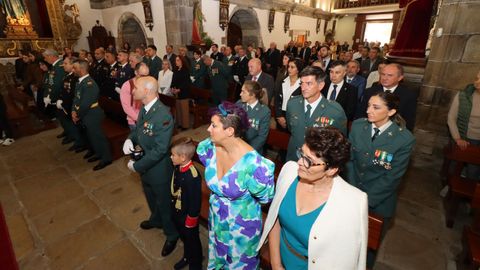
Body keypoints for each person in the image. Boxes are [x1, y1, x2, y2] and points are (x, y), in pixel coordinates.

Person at [259, 127, 368, 270]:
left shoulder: (352, 203)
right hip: (280, 257)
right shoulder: (290, 171)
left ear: (331, 169)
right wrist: (276, 264)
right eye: (301, 154)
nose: (299, 162)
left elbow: (347, 259)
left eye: (309, 161)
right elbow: (275, 219)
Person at [196, 101, 275, 269]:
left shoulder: (255, 166)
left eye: (213, 125)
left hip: (241, 225)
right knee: (218, 257)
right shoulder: (210, 147)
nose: (208, 129)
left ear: (230, 131)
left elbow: (265, 198)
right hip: (217, 216)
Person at [347, 92, 415, 268]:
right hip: (351, 192)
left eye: (376, 107)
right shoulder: (358, 126)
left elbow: (392, 177)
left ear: (391, 112)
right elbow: (349, 160)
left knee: (369, 248)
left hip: (378, 201)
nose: (368, 110)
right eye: (368, 105)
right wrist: (353, 191)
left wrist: (366, 199)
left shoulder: (403, 139)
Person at [122, 75, 179, 257]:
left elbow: (160, 150)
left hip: (158, 170)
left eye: (136, 87)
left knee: (164, 204)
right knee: (150, 196)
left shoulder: (163, 115)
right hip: (146, 166)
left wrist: (137, 166)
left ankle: (171, 234)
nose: (132, 90)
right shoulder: (145, 109)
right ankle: (156, 220)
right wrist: (129, 140)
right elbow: (139, 131)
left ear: (146, 91)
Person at [285, 66, 347, 161]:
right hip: (294, 158)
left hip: (317, 163)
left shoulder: (334, 111)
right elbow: (290, 128)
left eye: (309, 83)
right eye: (302, 83)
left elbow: (340, 142)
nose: (303, 88)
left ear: (320, 85)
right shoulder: (293, 103)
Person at [71, 59, 112, 171]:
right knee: (91, 136)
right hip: (85, 114)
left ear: (82, 69)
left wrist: (77, 114)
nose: (73, 70)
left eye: (75, 68)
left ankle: (106, 158)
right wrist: (73, 110)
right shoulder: (80, 82)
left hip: (92, 114)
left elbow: (85, 104)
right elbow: (76, 98)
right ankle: (98, 153)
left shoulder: (90, 84)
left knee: (98, 137)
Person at [170, 137, 203, 270]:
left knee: (192, 241)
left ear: (183, 157)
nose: (171, 157)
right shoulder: (178, 167)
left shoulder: (193, 176)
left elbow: (195, 202)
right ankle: (187, 257)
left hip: (187, 217)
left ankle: (196, 264)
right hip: (178, 212)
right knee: (185, 239)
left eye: (173, 155)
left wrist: (190, 221)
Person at [358, 63, 418, 131]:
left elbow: (409, 120)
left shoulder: (409, 95)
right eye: (383, 74)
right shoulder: (369, 92)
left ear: (400, 78)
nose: (384, 78)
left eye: (390, 75)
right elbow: (361, 114)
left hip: (395, 133)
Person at [447, 70, 480, 180]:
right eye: (476, 78)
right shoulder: (464, 95)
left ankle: (471, 191)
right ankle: (450, 185)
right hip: (464, 136)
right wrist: (458, 138)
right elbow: (451, 118)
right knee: (455, 165)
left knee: (473, 171)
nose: (477, 82)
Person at [237, 80, 271, 153]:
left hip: (252, 149)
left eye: (243, 92)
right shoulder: (239, 104)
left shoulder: (264, 111)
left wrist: (247, 150)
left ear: (252, 95)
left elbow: (262, 137)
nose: (240, 94)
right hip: (236, 144)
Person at [120, 62, 149, 130]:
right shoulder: (127, 85)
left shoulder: (148, 83)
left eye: (147, 75)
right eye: (142, 75)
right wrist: (139, 119)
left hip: (148, 119)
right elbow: (127, 107)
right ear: (136, 72)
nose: (145, 78)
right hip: (134, 121)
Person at [275, 58, 302, 130]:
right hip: (281, 115)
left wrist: (290, 120)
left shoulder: (302, 84)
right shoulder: (282, 81)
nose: (289, 69)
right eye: (288, 67)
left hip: (294, 118)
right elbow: (277, 100)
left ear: (298, 69)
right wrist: (279, 116)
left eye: (292, 67)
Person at [171, 55, 192, 130]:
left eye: (178, 60)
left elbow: (186, 83)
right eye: (176, 60)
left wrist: (179, 89)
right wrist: (172, 87)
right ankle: (180, 123)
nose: (176, 62)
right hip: (176, 92)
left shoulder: (185, 70)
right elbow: (173, 80)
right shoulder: (176, 70)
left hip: (184, 92)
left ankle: (185, 125)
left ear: (182, 61)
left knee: (184, 109)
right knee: (178, 109)